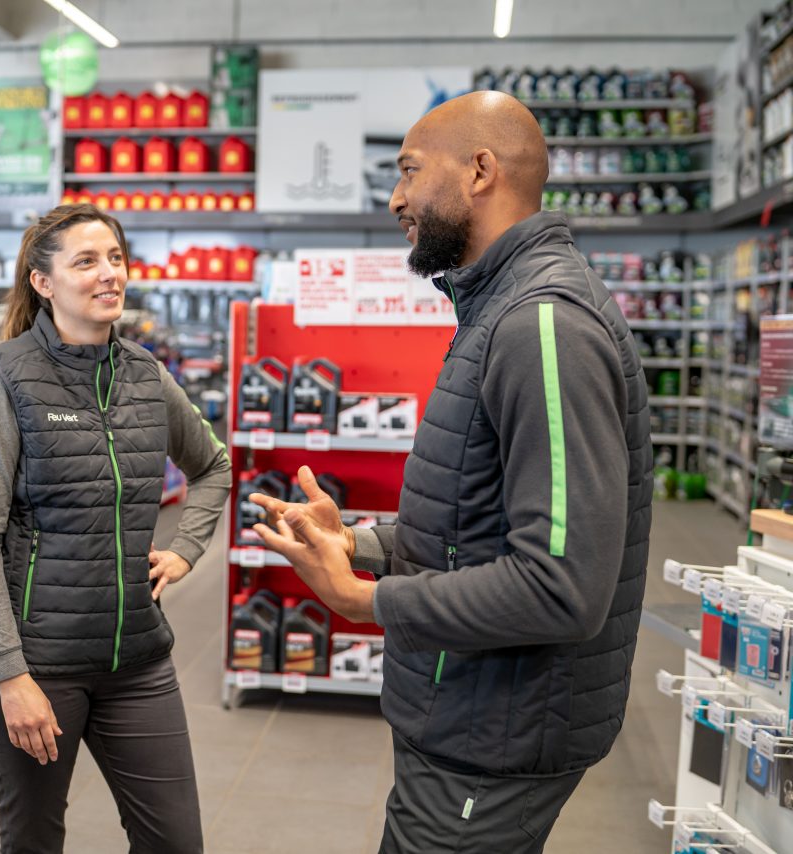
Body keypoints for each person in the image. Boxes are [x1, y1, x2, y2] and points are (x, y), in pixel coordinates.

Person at [251, 91, 652, 854]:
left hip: (494, 734)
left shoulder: (541, 324)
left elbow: (562, 586)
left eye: (408, 171)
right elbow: (482, 518)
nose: (396, 196)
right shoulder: (498, 309)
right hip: (471, 715)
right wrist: (363, 543)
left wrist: (368, 600)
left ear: (479, 171)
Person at [0, 203, 231, 854]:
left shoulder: (145, 374)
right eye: (87, 261)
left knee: (177, 842)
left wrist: (185, 550)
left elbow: (213, 465)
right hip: (35, 670)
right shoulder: (5, 379)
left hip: (137, 661)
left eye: (115, 258)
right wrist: (11, 676)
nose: (110, 274)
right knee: (34, 843)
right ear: (42, 282)